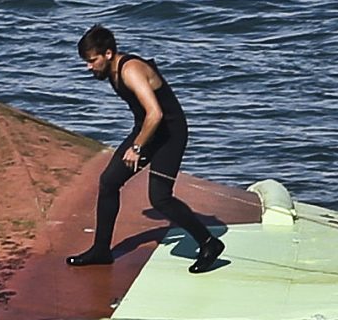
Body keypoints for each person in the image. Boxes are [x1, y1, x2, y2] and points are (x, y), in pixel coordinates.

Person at [66, 25, 224, 273]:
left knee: (159, 197)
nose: (88, 67)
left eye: (92, 60)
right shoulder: (112, 71)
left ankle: (209, 244)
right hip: (148, 130)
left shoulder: (130, 71)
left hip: (169, 133)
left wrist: (137, 147)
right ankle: (101, 250)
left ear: (108, 54)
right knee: (109, 183)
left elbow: (156, 113)